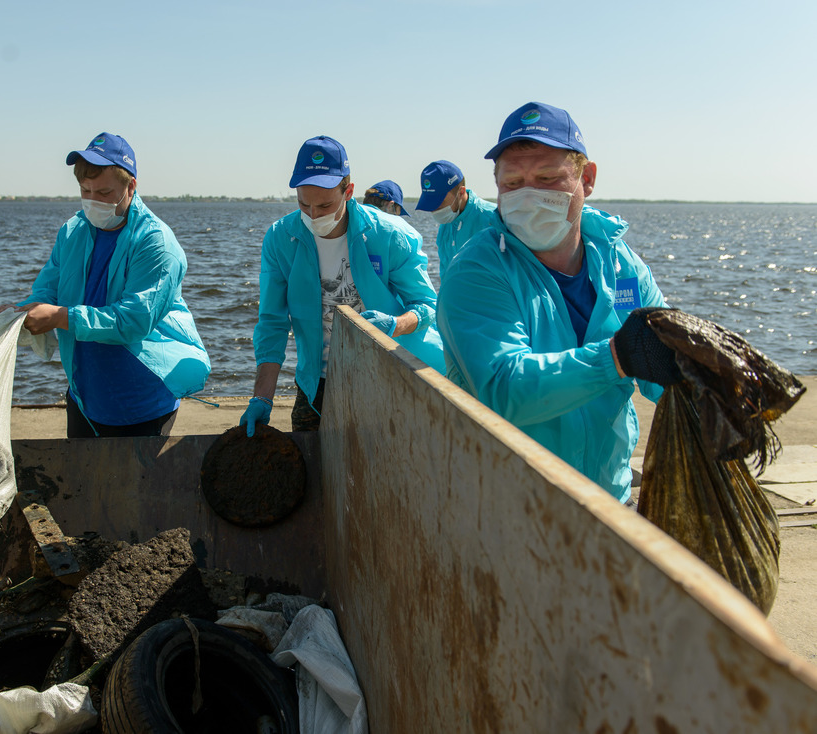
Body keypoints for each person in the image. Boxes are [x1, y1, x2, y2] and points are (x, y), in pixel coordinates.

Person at [436, 102, 674, 503]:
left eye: (548, 178)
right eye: (512, 183)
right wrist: (614, 358)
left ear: (588, 178)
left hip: (609, 499)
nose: (528, 196)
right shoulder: (475, 272)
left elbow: (661, 367)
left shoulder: (621, 262)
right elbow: (502, 387)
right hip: (507, 506)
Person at [6, 132, 210, 438]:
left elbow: (133, 321)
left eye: (103, 192)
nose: (92, 201)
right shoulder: (71, 232)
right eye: (85, 191)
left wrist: (61, 317)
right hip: (85, 396)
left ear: (131, 187)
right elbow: (47, 288)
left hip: (143, 403)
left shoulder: (156, 243)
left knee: (138, 485)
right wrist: (23, 312)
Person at [241, 135, 444, 436]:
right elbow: (272, 323)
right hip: (316, 382)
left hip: (385, 374)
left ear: (348, 191)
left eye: (324, 205)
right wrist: (262, 394)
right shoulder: (280, 239)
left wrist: (394, 324)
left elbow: (427, 307)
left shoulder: (390, 235)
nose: (313, 216)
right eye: (303, 204)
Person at [413, 160, 498, 286]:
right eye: (430, 204)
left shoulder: (494, 219)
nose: (435, 210)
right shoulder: (445, 227)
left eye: (439, 203)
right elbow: (446, 276)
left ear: (461, 192)